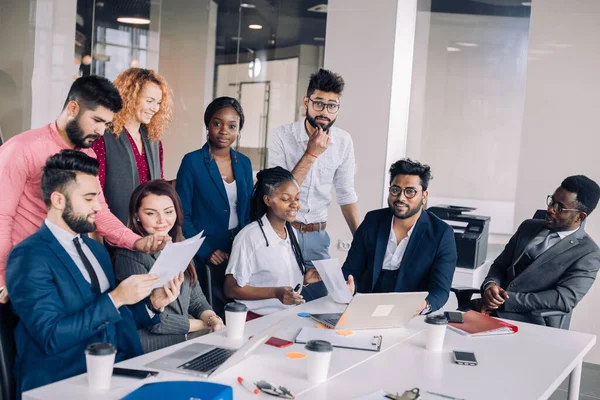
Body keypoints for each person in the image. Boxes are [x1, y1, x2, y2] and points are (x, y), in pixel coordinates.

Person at [6, 150, 177, 396]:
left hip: (117, 373)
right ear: (58, 200)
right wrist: (117, 297)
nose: (98, 207)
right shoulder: (27, 257)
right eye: (89, 198)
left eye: (98, 197)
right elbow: (51, 336)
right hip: (61, 383)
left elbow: (110, 317)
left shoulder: (97, 251)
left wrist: (152, 305)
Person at [0, 76, 169, 304]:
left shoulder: (88, 155)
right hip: (24, 271)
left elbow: (100, 213)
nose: (101, 131)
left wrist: (136, 242)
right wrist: (4, 276)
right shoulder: (22, 149)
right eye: (97, 120)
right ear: (73, 108)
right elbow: (2, 215)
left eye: (106, 124)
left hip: (66, 268)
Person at [268, 69, 359, 301]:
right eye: (318, 103)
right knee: (282, 299)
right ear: (306, 102)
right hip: (284, 232)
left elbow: (346, 194)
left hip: (318, 235)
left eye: (332, 106)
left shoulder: (343, 141)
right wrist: (312, 153)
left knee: (324, 300)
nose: (324, 112)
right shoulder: (281, 136)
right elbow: (281, 193)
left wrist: (361, 239)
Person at [115, 180, 225, 353]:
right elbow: (150, 319)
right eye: (151, 213)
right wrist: (204, 324)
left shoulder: (178, 245)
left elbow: (196, 300)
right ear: (137, 215)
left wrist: (213, 318)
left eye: (168, 212)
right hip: (151, 348)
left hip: (183, 343)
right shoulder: (129, 256)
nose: (162, 220)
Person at [478, 175, 600, 327]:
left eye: (559, 207)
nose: (550, 209)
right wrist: (490, 286)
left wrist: (504, 301)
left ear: (579, 217)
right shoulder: (528, 227)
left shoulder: (588, 252)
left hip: (531, 322)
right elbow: (500, 266)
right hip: (487, 309)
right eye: (552, 201)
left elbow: (564, 298)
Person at [342, 159, 457, 313]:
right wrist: (349, 287)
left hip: (407, 311)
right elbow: (351, 270)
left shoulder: (441, 233)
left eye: (410, 191)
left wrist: (424, 305)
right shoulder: (372, 221)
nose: (401, 198)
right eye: (396, 190)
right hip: (364, 305)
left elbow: (440, 290)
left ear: (424, 195)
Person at [176, 97, 254, 317]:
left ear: (238, 130)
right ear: (208, 125)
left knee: (236, 311)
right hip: (202, 250)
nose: (223, 131)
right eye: (217, 123)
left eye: (232, 126)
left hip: (237, 247)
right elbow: (182, 216)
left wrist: (243, 245)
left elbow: (246, 212)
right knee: (210, 312)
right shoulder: (192, 162)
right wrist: (206, 250)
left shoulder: (244, 163)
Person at [223, 167, 327, 316]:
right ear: (267, 200)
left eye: (297, 198)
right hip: (255, 320)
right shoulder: (249, 237)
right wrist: (275, 293)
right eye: (285, 199)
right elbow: (230, 289)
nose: (294, 204)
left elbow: (273, 277)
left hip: (286, 316)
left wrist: (304, 279)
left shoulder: (291, 233)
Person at [91, 68, 173, 224]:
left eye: (158, 103)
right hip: (114, 230)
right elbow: (95, 192)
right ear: (130, 97)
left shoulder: (153, 141)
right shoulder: (103, 137)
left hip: (147, 229)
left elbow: (158, 183)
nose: (155, 108)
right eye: (149, 101)